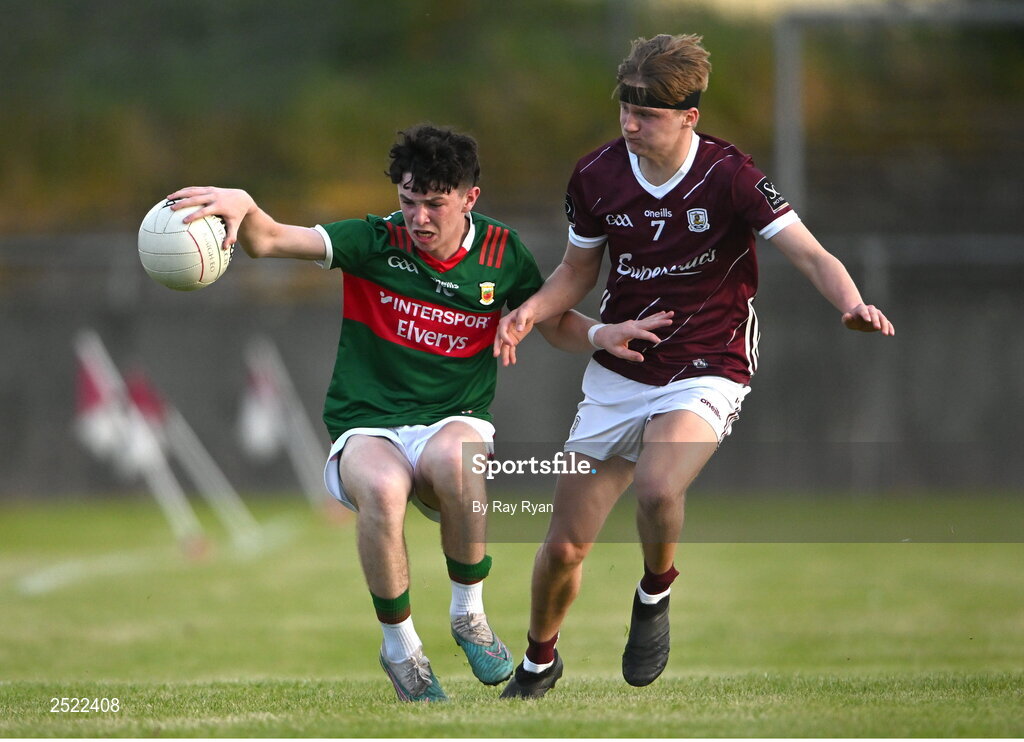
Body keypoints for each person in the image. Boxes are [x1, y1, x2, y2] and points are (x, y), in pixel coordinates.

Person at [167, 124, 668, 703]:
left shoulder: (502, 253)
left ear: (469, 199)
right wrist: (244, 205)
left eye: (435, 203)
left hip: (452, 418)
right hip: (367, 424)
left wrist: (604, 333)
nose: (419, 218)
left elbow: (553, 321)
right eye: (409, 202)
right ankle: (401, 649)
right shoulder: (373, 240)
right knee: (381, 489)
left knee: (458, 463)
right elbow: (270, 241)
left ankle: (468, 617)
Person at [493, 34, 895, 699]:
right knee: (565, 546)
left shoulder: (730, 176)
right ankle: (540, 660)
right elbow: (575, 273)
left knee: (656, 487)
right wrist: (532, 311)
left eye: (647, 113)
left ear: (689, 117)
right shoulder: (596, 175)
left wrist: (851, 302)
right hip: (622, 369)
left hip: (709, 363)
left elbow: (813, 255)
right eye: (625, 107)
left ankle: (655, 590)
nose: (629, 123)